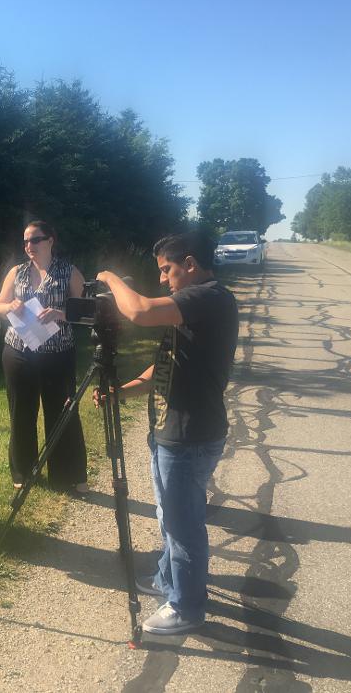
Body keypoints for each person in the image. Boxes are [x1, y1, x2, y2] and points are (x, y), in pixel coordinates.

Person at [95, 231, 238, 636]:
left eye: (166, 269)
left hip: (190, 435)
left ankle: (187, 607)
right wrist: (118, 391)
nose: (162, 279)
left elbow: (138, 311)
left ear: (190, 264)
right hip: (169, 432)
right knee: (167, 515)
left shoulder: (210, 297)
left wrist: (110, 278)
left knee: (182, 523)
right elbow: (162, 368)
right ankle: (168, 579)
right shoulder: (189, 309)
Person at [0, 220, 89, 493]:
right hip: (19, 353)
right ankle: (24, 473)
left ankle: (69, 475)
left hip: (57, 354)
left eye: (35, 240)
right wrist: (9, 305)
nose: (29, 246)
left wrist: (61, 314)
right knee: (21, 414)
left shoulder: (68, 272)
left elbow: (86, 310)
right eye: (25, 241)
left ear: (50, 240)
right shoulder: (17, 272)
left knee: (62, 413)